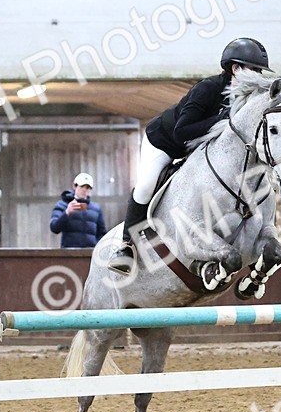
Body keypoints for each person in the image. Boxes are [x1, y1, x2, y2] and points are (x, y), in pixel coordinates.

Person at [108, 37, 271, 274]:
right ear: (235, 68)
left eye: (260, 71)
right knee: (145, 185)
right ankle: (126, 247)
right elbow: (182, 130)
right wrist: (224, 119)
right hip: (165, 142)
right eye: (254, 70)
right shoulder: (208, 88)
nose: (258, 76)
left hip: (199, 150)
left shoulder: (247, 98)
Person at [50, 172, 107, 248]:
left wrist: (97, 249)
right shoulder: (62, 205)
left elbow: (102, 233)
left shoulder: (96, 209)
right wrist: (67, 213)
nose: (85, 190)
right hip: (69, 253)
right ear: (75, 186)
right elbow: (54, 228)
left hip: (90, 254)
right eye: (82, 186)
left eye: (88, 187)